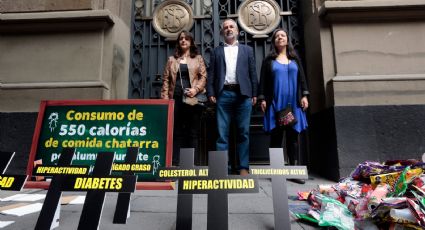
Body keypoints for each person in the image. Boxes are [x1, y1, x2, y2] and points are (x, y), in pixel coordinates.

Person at [207, 19, 258, 176]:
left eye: (231, 27)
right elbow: (212, 75)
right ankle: (223, 168)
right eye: (225, 27)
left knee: (243, 132)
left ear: (237, 31)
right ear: (222, 32)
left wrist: (255, 93)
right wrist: (210, 92)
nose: (228, 29)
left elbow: (252, 73)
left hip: (243, 95)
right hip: (223, 94)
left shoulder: (247, 50)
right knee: (222, 134)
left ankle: (243, 167)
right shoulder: (216, 51)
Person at [258, 28, 309, 184]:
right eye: (277, 36)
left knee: (293, 138)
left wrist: (305, 95)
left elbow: (302, 79)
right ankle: (277, 172)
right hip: (276, 103)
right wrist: (262, 99)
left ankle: (294, 171)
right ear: (274, 41)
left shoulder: (294, 58)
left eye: (283, 35)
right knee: (276, 138)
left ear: (287, 39)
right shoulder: (268, 61)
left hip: (294, 103)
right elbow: (263, 81)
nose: (280, 38)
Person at [161, 30, 207, 165]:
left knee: (193, 132)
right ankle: (175, 162)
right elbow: (165, 81)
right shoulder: (171, 60)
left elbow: (203, 77)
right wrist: (165, 101)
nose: (183, 41)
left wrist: (195, 89)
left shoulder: (198, 58)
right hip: (175, 98)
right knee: (176, 131)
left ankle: (191, 164)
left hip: (192, 98)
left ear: (191, 42)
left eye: (186, 39)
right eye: (181, 39)